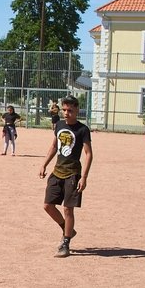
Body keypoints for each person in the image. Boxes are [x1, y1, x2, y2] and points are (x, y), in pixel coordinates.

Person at [39, 95, 93, 258]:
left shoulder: (82, 130)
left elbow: (89, 154)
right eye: (64, 110)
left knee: (68, 209)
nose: (66, 113)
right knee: (48, 205)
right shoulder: (60, 125)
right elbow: (54, 145)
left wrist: (84, 177)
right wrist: (44, 164)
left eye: (70, 110)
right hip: (57, 171)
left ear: (77, 110)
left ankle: (66, 242)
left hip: (73, 173)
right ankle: (67, 228)